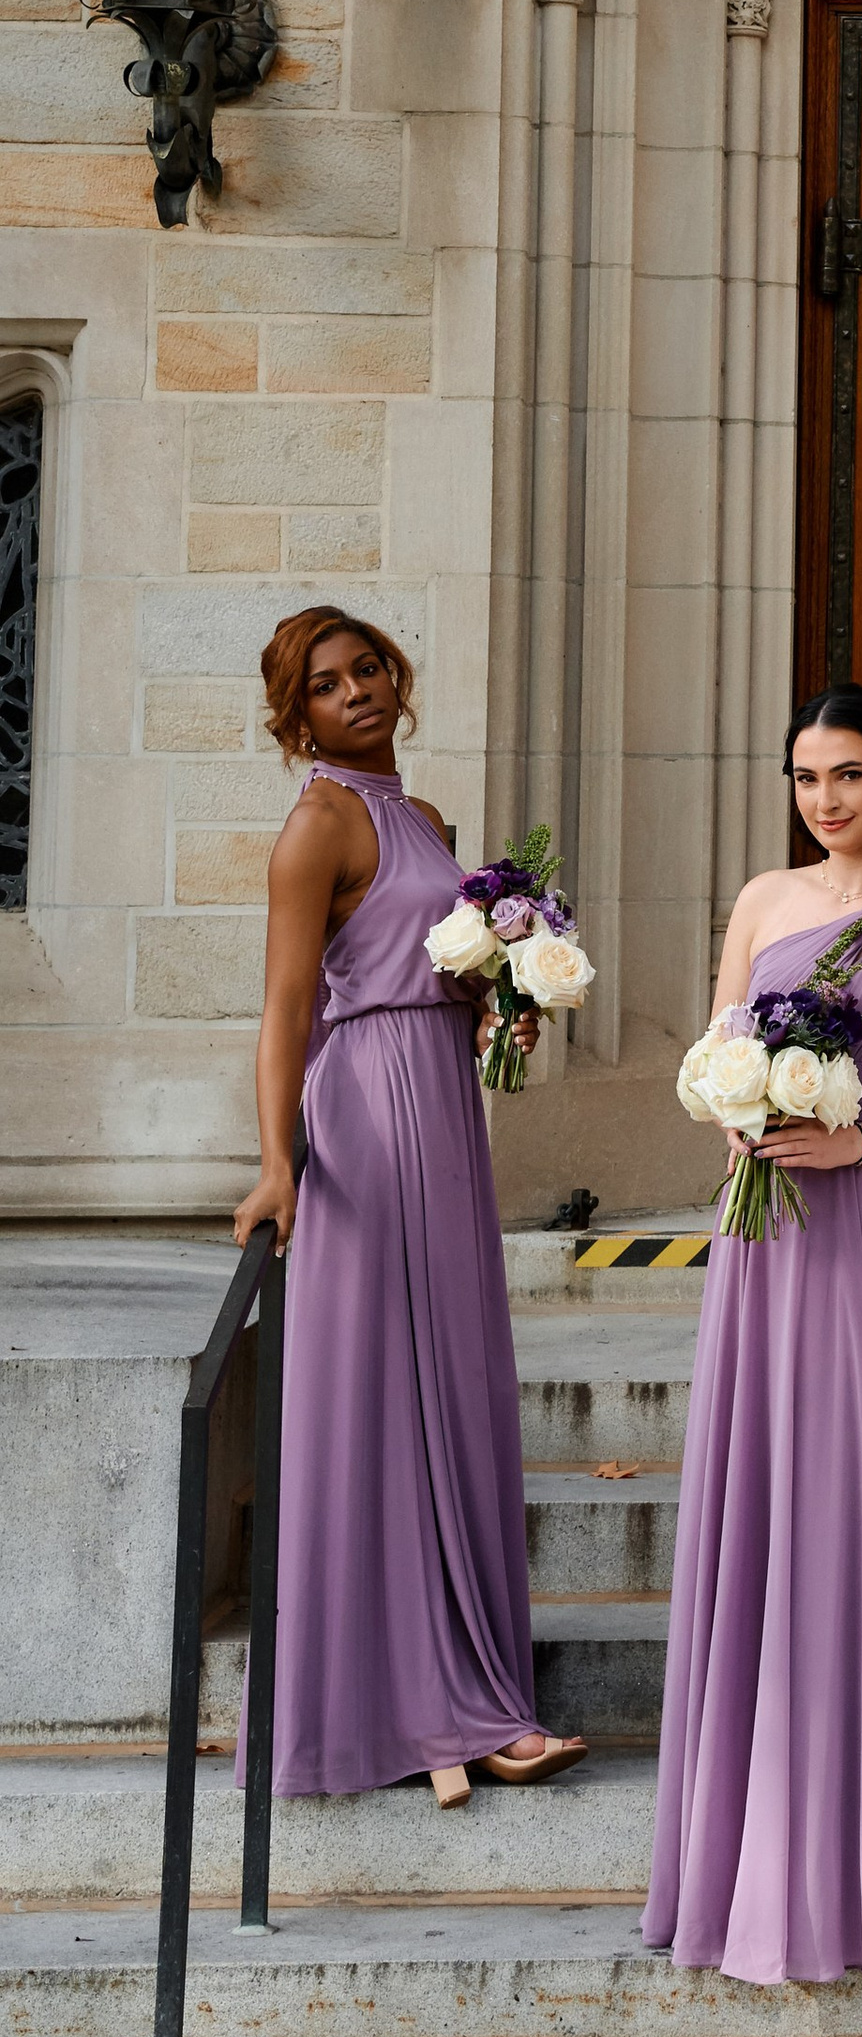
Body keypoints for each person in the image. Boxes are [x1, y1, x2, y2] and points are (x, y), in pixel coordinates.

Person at [643, 684, 862, 1984]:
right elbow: (710, 1057)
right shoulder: (761, 900)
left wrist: (854, 1140)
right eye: (806, 776)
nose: (826, 798)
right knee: (770, 1511)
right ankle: (759, 1857)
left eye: (848, 773)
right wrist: (735, 1110)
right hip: (768, 1239)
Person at [233, 610, 581, 1806]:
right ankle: (414, 1704)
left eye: (367, 668)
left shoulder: (424, 820)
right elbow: (286, 1011)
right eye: (326, 687)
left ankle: (469, 1692)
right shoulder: (316, 825)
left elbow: (447, 968)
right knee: (381, 1397)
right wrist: (278, 1164)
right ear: (299, 721)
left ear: (397, 676)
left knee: (453, 1384)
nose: (356, 692)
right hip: (368, 1117)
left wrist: (505, 996)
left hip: (441, 1101)